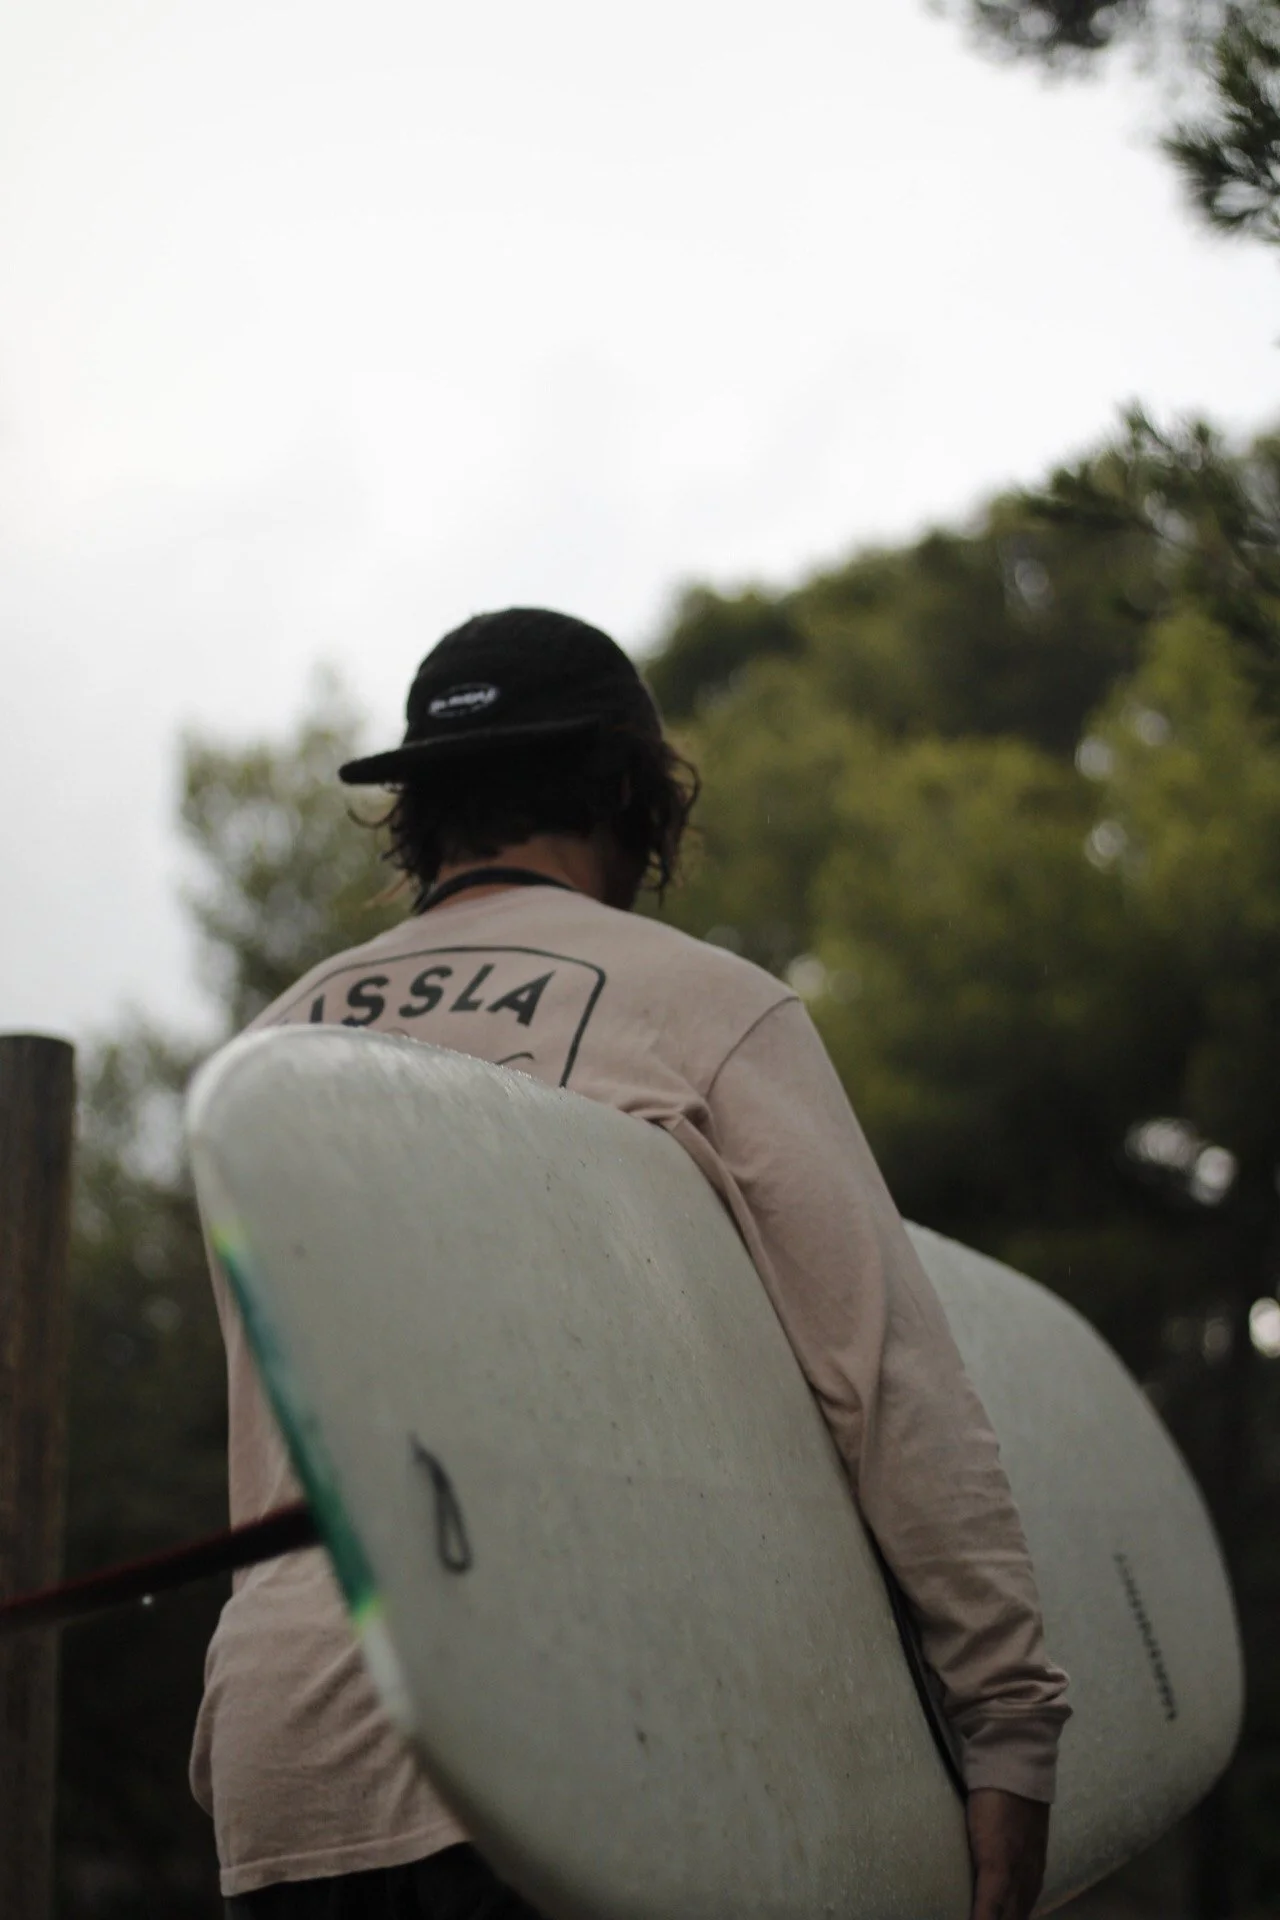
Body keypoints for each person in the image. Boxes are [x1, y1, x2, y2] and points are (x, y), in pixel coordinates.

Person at [192, 607, 1069, 1920]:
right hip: (596, 1748)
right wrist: (1007, 1717)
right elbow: (886, 1383)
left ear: (421, 811)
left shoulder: (270, 1052)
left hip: (293, 1757)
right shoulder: (704, 1008)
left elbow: (276, 1448)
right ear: (628, 791)